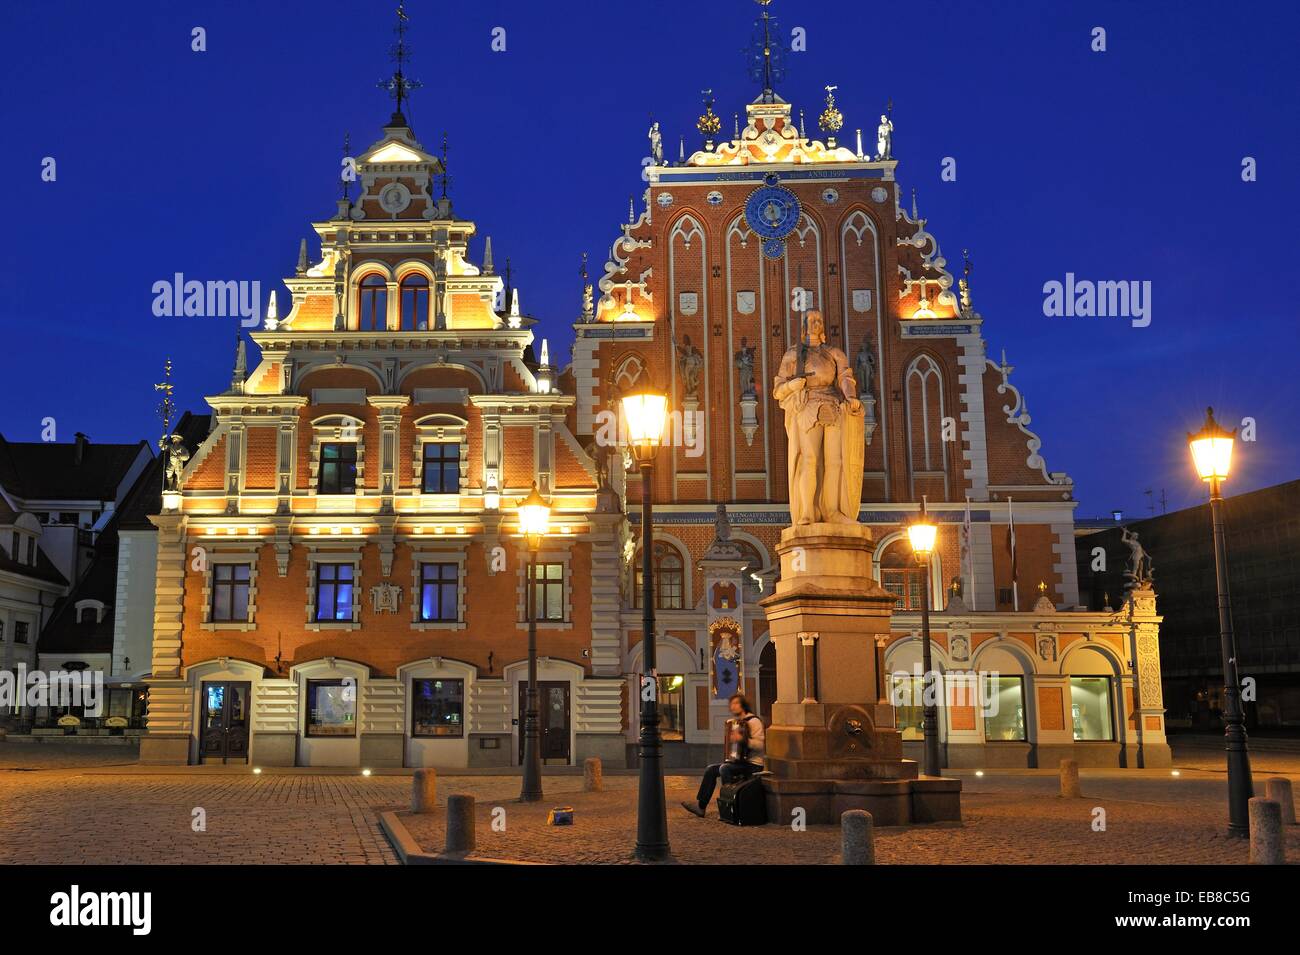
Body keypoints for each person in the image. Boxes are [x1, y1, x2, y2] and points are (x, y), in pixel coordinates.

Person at [681, 693, 765, 817]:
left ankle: (730, 807)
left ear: (743, 705)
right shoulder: (735, 723)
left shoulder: (754, 722)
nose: (733, 706)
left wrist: (743, 740)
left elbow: (760, 745)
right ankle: (701, 807)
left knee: (724, 768)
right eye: (731, 704)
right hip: (739, 763)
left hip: (753, 764)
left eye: (736, 703)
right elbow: (733, 747)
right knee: (711, 769)